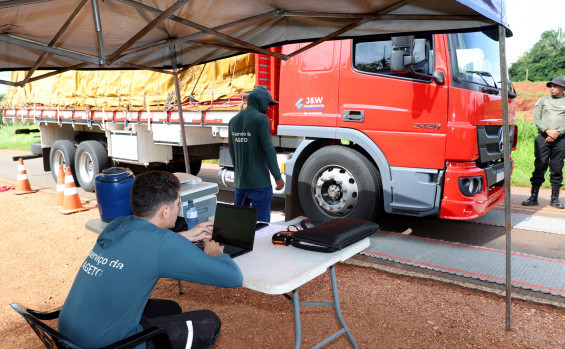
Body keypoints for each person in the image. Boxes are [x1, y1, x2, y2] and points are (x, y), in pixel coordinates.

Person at [58, 171, 243, 349]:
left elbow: (144, 247)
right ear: (164, 211)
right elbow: (233, 278)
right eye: (178, 203)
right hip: (110, 345)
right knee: (209, 322)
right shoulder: (162, 243)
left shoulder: (117, 225)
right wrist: (216, 253)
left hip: (68, 337)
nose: (178, 208)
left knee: (170, 307)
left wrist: (187, 235)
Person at [228, 86, 284, 222]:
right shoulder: (261, 119)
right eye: (267, 104)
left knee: (240, 223)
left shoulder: (233, 121)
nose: (268, 108)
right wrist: (277, 176)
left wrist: (239, 174)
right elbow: (268, 149)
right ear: (260, 101)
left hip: (241, 184)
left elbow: (232, 150)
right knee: (261, 225)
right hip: (259, 184)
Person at [522, 77, 565, 209]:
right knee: (539, 166)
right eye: (551, 86)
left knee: (557, 168)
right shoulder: (543, 100)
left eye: (555, 86)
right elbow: (536, 118)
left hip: (561, 139)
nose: (552, 88)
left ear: (563, 88)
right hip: (543, 138)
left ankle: (555, 199)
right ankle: (533, 197)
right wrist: (547, 131)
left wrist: (557, 133)